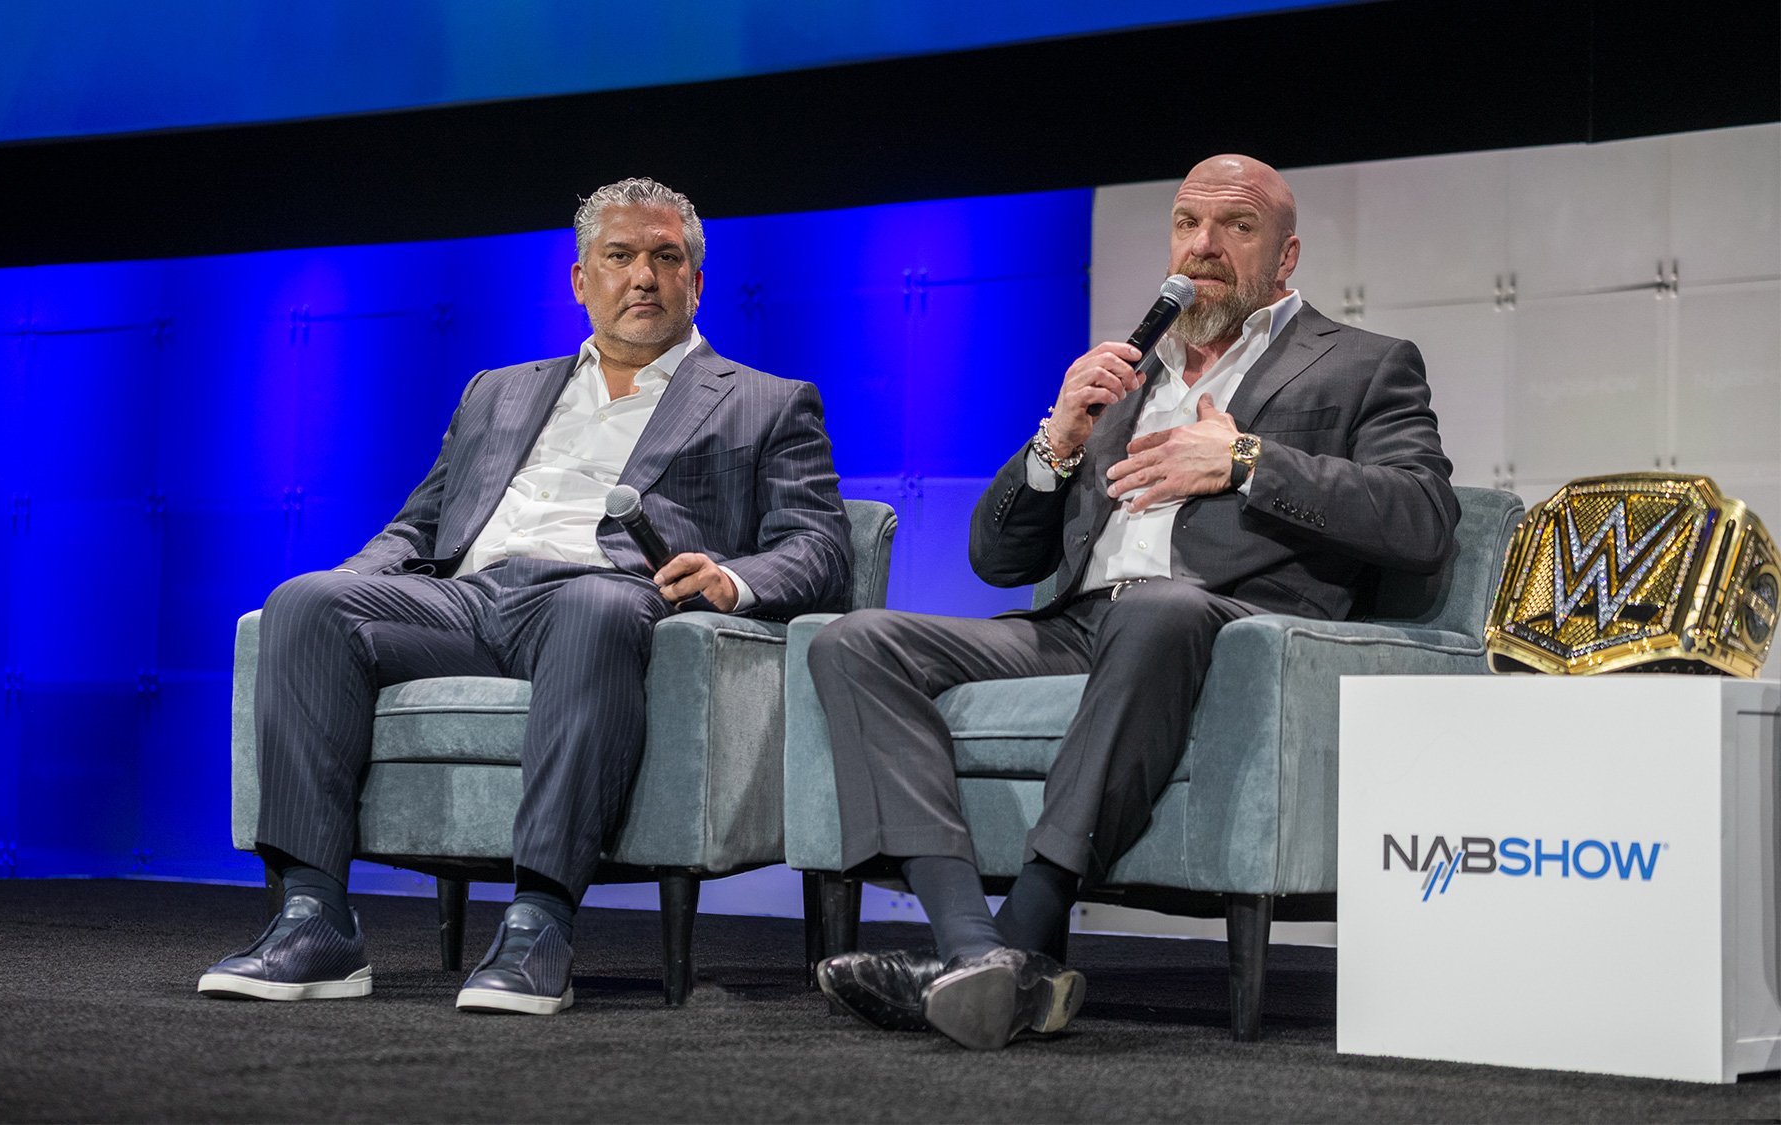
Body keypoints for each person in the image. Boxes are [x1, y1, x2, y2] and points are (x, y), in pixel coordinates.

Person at [807, 154, 1457, 1050]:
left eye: (1236, 227)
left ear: (1287, 255)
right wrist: (1056, 441)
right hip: (1077, 626)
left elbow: (1423, 517)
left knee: (1160, 606)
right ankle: (973, 948)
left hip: (1222, 625)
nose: (1204, 246)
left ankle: (1023, 934)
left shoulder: (1361, 364)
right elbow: (995, 558)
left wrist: (1246, 462)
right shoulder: (1127, 375)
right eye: (1188, 223)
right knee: (855, 640)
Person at [198, 177, 852, 1014]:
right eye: (619, 257)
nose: (642, 276)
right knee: (306, 602)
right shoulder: (496, 390)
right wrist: (355, 582)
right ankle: (315, 918)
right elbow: (420, 527)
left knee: (594, 605)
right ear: (582, 280)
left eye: (665, 257)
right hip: (469, 600)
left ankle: (538, 923)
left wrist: (733, 578)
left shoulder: (767, 401)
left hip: (608, 596)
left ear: (697, 280)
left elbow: (820, 547)